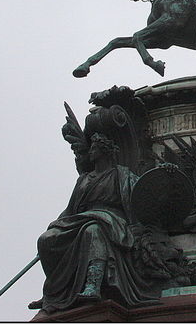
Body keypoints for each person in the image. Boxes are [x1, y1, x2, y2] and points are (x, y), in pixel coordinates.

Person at [35, 133, 159, 313]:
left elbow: (144, 193)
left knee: (93, 231)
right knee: (46, 239)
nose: (91, 152)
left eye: (94, 148)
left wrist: (161, 172)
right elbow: (70, 210)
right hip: (81, 218)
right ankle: (54, 292)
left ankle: (92, 285)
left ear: (105, 152)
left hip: (111, 219)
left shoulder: (122, 175)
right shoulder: (83, 179)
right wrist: (57, 224)